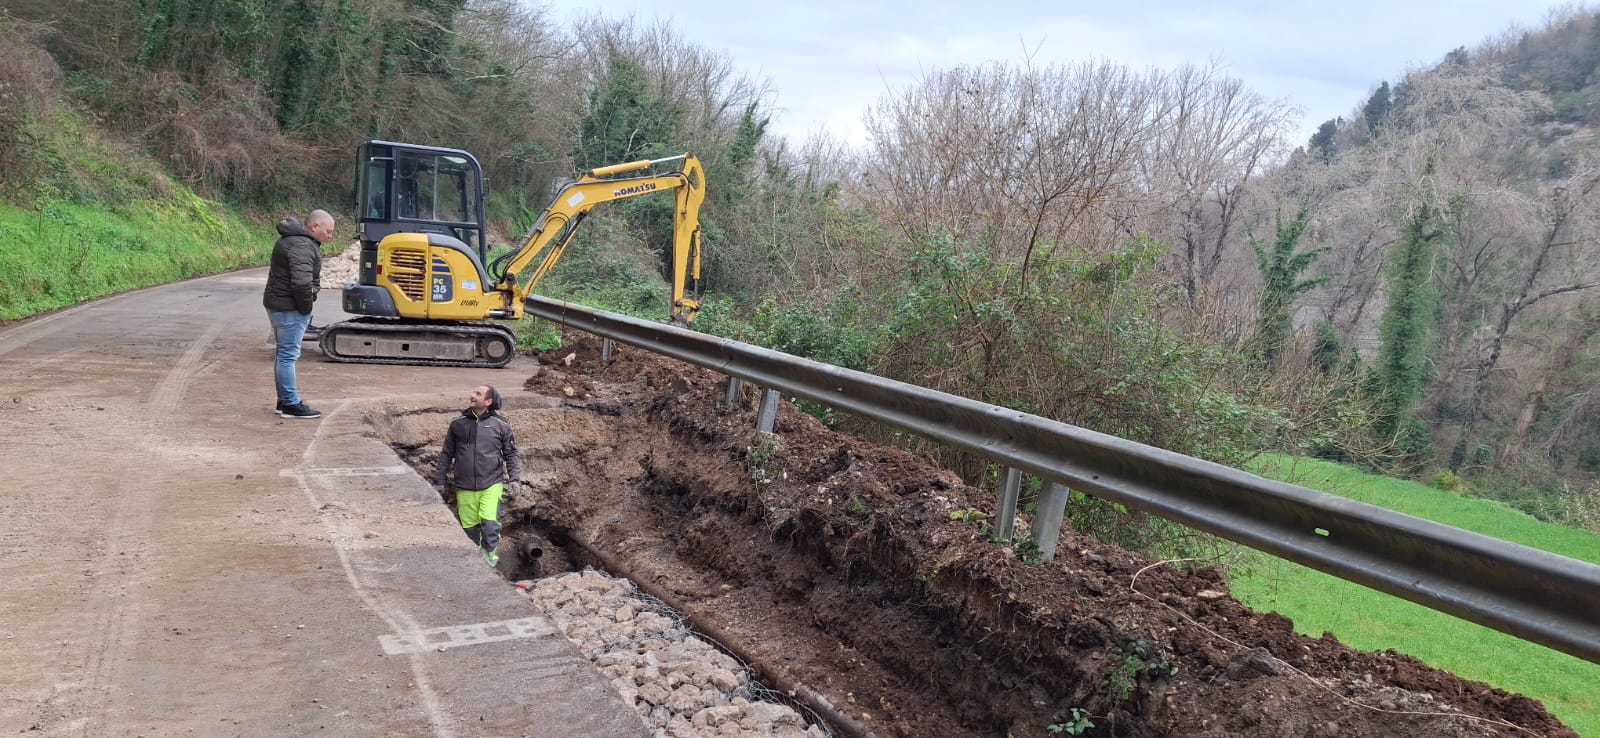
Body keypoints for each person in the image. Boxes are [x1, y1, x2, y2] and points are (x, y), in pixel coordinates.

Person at [434, 385, 522, 565]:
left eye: (477, 394)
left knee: (490, 525)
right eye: (473, 392)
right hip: (464, 486)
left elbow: (511, 454)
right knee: (470, 530)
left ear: (488, 402)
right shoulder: (458, 424)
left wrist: (514, 479)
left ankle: (490, 561)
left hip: (492, 484)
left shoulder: (501, 425)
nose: (471, 395)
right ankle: (475, 563)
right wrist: (440, 480)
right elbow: (446, 453)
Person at [263, 209, 335, 419]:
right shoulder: (302, 245)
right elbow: (301, 283)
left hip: (279, 304)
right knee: (288, 355)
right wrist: (306, 309)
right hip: (289, 308)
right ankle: (290, 404)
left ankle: (284, 400)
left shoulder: (292, 241)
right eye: (328, 231)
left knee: (283, 354)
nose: (330, 236)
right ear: (315, 227)